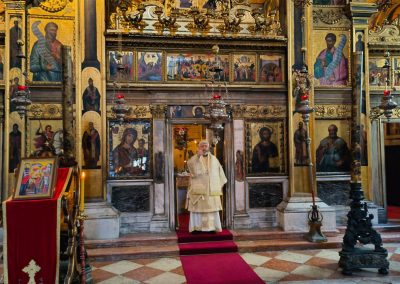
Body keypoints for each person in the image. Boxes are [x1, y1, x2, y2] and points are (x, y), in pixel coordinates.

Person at [186, 140, 227, 233]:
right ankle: (197, 228)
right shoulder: (194, 159)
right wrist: (198, 157)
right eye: (202, 146)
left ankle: (211, 228)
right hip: (199, 190)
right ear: (199, 147)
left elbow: (220, 173)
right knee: (198, 209)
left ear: (208, 147)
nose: (204, 148)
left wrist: (218, 184)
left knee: (211, 210)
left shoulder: (214, 159)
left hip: (211, 190)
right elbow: (190, 167)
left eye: (205, 146)